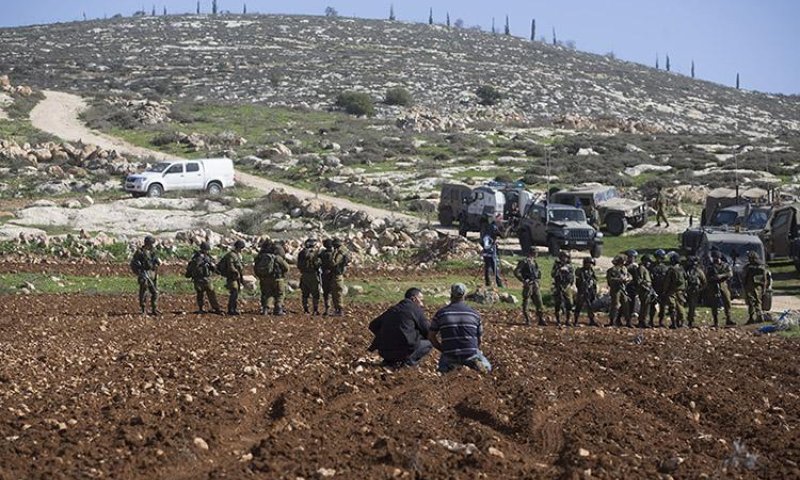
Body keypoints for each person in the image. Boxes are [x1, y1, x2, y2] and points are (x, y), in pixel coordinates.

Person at [428, 283, 492, 373]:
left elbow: (431, 337)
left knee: (442, 368)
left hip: (450, 354)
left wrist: (443, 349)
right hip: (470, 354)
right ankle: (476, 364)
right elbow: (479, 339)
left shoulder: (441, 314)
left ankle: (448, 367)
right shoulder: (474, 314)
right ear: (464, 295)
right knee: (488, 367)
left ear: (451, 294)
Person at [368, 288, 432, 367]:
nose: (422, 304)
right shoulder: (415, 309)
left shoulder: (393, 309)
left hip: (384, 352)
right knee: (429, 342)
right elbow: (428, 331)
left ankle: (390, 362)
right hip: (403, 352)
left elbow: (373, 325)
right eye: (421, 300)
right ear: (414, 299)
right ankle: (408, 362)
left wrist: (384, 335)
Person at [186, 241, 222, 314]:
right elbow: (193, 266)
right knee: (201, 294)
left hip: (206, 278)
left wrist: (211, 266)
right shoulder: (197, 257)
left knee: (211, 293)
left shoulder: (206, 257)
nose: (207, 251)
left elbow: (212, 267)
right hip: (199, 278)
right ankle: (202, 308)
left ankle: (215, 308)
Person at [254, 241, 290, 315]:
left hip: (264, 279)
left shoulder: (260, 257)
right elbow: (287, 268)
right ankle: (278, 309)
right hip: (277, 279)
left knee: (267, 294)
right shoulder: (277, 258)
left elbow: (255, 268)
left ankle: (265, 309)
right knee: (280, 294)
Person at [130, 235, 161, 315]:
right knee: (144, 292)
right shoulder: (140, 252)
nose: (153, 245)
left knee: (155, 292)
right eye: (151, 243)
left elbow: (156, 261)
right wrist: (139, 272)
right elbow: (134, 264)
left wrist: (157, 262)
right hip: (144, 274)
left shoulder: (153, 251)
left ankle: (154, 308)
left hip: (153, 273)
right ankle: (143, 309)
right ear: (148, 243)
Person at [513, 248, 544, 326]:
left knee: (539, 301)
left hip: (535, 284)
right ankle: (527, 319)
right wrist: (523, 280)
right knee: (526, 301)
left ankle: (541, 319)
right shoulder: (524, 262)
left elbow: (537, 273)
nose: (537, 254)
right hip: (529, 284)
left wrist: (538, 279)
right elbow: (516, 272)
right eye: (535, 253)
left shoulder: (534, 262)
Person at [321, 238, 350, 316]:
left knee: (337, 293)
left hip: (337, 275)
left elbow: (333, 262)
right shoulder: (343, 251)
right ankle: (337, 310)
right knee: (335, 293)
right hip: (337, 275)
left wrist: (333, 255)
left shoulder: (340, 252)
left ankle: (339, 310)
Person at [706, 248, 734, 327]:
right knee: (714, 303)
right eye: (714, 258)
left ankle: (729, 318)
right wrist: (713, 278)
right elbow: (707, 277)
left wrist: (721, 276)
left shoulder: (725, 265)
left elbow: (730, 273)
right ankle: (716, 321)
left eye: (717, 258)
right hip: (713, 286)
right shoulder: (710, 266)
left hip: (723, 285)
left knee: (727, 302)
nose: (716, 260)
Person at [218, 240, 246, 315]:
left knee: (236, 293)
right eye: (241, 248)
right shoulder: (232, 255)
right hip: (232, 277)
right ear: (238, 248)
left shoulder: (237, 255)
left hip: (235, 277)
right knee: (234, 291)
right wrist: (236, 272)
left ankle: (233, 308)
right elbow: (231, 266)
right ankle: (231, 309)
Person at [297, 238, 323, 315]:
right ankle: (315, 310)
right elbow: (318, 264)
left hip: (304, 275)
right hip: (313, 275)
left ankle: (306, 309)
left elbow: (298, 265)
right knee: (315, 294)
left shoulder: (301, 253)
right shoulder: (316, 253)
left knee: (305, 294)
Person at [551, 251, 575, 327]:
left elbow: (572, 276)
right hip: (559, 286)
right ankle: (558, 320)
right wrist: (559, 270)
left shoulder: (570, 266)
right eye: (563, 257)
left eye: (566, 257)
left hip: (567, 286)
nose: (564, 259)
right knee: (558, 303)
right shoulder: (557, 265)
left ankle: (568, 320)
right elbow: (553, 274)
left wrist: (571, 283)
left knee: (569, 303)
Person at [743, 250, 768, 324]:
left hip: (752, 286)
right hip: (756, 286)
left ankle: (754, 317)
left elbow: (744, 276)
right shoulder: (761, 266)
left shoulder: (751, 267)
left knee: (753, 302)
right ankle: (758, 316)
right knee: (756, 302)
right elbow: (765, 279)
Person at [663, 251, 686, 328]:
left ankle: (674, 323)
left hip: (672, 291)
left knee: (672, 307)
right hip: (681, 291)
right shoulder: (682, 269)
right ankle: (682, 322)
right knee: (680, 307)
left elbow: (667, 281)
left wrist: (665, 290)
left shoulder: (671, 270)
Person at [606, 255, 630, 327]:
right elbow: (610, 280)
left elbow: (629, 276)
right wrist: (619, 280)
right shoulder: (612, 270)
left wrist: (628, 279)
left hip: (623, 289)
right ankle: (612, 321)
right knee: (615, 305)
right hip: (615, 289)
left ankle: (627, 321)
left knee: (626, 305)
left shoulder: (624, 268)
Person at [648, 249, 670, 328]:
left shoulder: (665, 268)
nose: (659, 259)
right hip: (654, 288)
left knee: (662, 306)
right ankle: (651, 320)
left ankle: (661, 321)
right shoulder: (651, 267)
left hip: (663, 289)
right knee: (652, 305)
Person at [574, 257, 598, 327]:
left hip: (590, 291)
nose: (590, 265)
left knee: (590, 306)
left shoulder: (591, 271)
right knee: (579, 306)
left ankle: (591, 320)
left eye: (591, 264)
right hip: (582, 291)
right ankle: (575, 320)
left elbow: (595, 279)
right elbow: (578, 281)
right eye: (589, 263)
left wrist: (592, 282)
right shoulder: (580, 271)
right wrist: (583, 285)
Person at [684, 255, 707, 328]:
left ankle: (690, 321)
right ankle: (680, 320)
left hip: (694, 290)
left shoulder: (698, 271)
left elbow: (704, 282)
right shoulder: (685, 270)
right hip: (685, 289)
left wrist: (700, 289)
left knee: (692, 306)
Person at [638, 255, 658, 328]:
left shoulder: (646, 269)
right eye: (648, 262)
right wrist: (646, 288)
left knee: (647, 306)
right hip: (644, 290)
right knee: (645, 306)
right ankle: (643, 321)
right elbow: (640, 281)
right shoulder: (641, 268)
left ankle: (643, 321)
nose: (649, 263)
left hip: (648, 289)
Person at [625, 250, 640, 326]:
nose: (631, 259)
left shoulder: (635, 267)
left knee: (632, 303)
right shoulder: (624, 266)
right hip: (625, 287)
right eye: (630, 257)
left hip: (632, 287)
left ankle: (629, 320)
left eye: (632, 257)